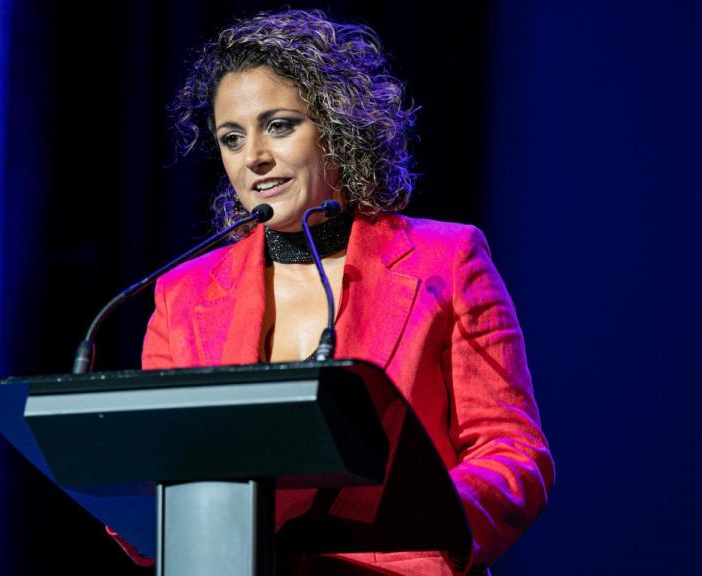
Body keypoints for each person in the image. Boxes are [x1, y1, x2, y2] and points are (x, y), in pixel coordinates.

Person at [135, 9, 554, 576]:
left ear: (338, 127)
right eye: (231, 138)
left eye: (279, 126)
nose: (253, 156)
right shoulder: (180, 294)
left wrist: (431, 518)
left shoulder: (447, 261)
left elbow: (511, 451)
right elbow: (160, 470)